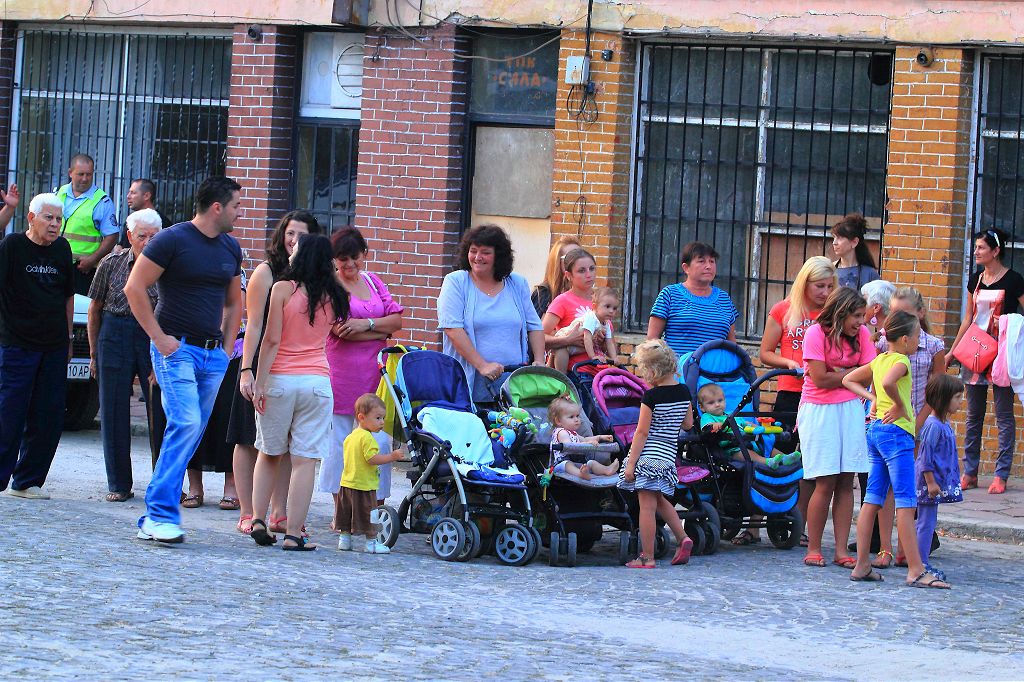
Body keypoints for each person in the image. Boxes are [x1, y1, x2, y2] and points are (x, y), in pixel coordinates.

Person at [124, 176, 244, 544]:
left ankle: (155, 515)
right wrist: (159, 339)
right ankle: (159, 515)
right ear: (217, 207)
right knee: (187, 423)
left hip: (212, 356)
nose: (240, 213)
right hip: (176, 351)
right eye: (237, 206)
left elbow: (234, 303)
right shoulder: (171, 239)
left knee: (189, 431)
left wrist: (225, 351)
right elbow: (134, 287)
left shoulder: (231, 247)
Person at [248, 233, 348, 551]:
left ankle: (258, 520)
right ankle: (293, 534)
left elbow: (271, 340)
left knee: (269, 453)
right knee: (305, 462)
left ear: (301, 256)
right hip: (317, 383)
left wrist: (259, 381)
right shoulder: (334, 295)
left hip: (280, 379)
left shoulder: (282, 289)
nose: (289, 253)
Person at [843, 311, 950, 589]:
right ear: (904, 339)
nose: (917, 341)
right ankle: (916, 569)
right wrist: (900, 406)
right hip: (897, 434)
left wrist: (873, 399)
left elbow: (848, 380)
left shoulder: (879, 359)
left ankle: (862, 564)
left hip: (876, 430)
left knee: (872, 499)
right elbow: (889, 383)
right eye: (916, 337)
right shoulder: (901, 360)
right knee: (905, 501)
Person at [232, 211, 322, 534]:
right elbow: (254, 325)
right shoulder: (266, 272)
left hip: (292, 368)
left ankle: (279, 513)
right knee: (249, 439)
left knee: (284, 445)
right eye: (290, 233)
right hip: (261, 361)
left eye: (302, 235)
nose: (294, 240)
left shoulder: (313, 278)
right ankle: (247, 512)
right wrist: (247, 369)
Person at [319, 227, 404, 521]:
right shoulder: (329, 287)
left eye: (354, 257)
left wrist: (366, 324)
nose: (349, 264)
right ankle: (342, 512)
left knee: (379, 439)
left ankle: (375, 510)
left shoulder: (373, 280)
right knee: (341, 444)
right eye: (342, 259)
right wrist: (380, 330)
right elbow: (340, 332)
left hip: (375, 374)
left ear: (364, 254)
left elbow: (396, 321)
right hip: (341, 374)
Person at [0, 193, 75, 499]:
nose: (55, 224)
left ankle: (27, 481)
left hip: (53, 345)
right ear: (31, 218)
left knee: (48, 416)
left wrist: (68, 338)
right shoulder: (12, 246)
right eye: (49, 218)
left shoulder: (62, 249)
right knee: (9, 412)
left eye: (59, 219)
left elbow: (68, 296)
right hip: (16, 343)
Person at [759, 256, 837, 545]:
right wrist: (788, 363)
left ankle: (799, 523)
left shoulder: (834, 313)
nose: (825, 292)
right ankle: (755, 522)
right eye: (819, 286)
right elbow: (765, 352)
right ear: (805, 283)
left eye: (830, 286)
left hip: (822, 394)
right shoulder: (784, 309)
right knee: (777, 455)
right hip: (790, 392)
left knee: (811, 462)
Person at [868, 286, 947, 568]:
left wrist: (918, 423)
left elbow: (936, 392)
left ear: (920, 313)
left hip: (918, 422)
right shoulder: (884, 345)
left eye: (903, 313)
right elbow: (876, 383)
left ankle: (906, 548)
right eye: (892, 313)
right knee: (888, 487)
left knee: (911, 485)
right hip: (890, 424)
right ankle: (885, 548)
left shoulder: (933, 346)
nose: (895, 319)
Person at [87, 208, 161, 502]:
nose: (148, 242)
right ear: (130, 236)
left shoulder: (168, 267)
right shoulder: (111, 263)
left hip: (152, 333)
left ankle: (165, 484)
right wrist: (94, 352)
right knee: (113, 409)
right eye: (142, 236)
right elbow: (94, 308)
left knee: (160, 410)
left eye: (154, 236)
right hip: (114, 332)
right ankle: (118, 484)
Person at [798, 287, 875, 569]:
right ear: (841, 313)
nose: (861, 322)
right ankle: (814, 547)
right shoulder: (815, 334)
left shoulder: (862, 335)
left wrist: (839, 376)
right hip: (819, 410)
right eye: (856, 316)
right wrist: (852, 375)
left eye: (863, 316)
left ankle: (841, 550)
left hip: (851, 409)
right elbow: (819, 379)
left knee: (845, 480)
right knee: (824, 480)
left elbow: (870, 373)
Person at [947, 228, 1024, 495]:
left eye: (981, 247)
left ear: (996, 251)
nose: (976, 251)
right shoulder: (975, 280)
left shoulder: (1014, 280)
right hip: (975, 350)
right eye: (976, 247)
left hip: (1002, 353)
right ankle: (970, 472)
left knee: (1003, 414)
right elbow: (968, 318)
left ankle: (1001, 474)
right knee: (973, 414)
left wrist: (1012, 331)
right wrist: (952, 352)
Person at [438, 224, 545, 404]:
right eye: (473, 251)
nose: (477, 257)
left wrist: (539, 361)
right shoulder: (456, 282)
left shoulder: (517, 283)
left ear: (498, 256)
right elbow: (452, 329)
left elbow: (534, 326)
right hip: (470, 380)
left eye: (485, 252)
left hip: (513, 380)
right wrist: (482, 366)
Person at [618, 340, 695, 569]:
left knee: (647, 507)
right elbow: (688, 424)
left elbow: (641, 433)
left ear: (652, 371)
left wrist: (631, 464)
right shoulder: (684, 391)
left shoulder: (651, 397)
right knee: (660, 500)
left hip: (649, 456)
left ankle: (647, 557)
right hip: (668, 455)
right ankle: (683, 537)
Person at [336, 394, 406, 554]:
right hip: (364, 486)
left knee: (346, 513)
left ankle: (344, 540)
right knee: (371, 515)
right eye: (378, 418)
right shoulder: (367, 438)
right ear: (362, 417)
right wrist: (392, 457)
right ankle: (371, 543)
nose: (382, 422)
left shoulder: (350, 437)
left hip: (346, 484)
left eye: (383, 418)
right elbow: (372, 459)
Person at [914, 374, 966, 582]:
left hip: (935, 482)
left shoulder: (943, 423)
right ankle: (920, 563)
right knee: (925, 523)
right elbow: (925, 457)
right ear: (944, 399)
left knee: (929, 521)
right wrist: (930, 482)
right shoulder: (933, 426)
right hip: (929, 484)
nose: (961, 402)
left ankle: (920, 560)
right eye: (957, 397)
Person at [647, 241, 738, 356]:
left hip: (716, 367)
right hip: (678, 366)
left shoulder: (724, 299)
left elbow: (732, 344)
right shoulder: (669, 295)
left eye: (712, 261)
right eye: (701, 261)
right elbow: (652, 342)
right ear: (686, 268)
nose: (708, 266)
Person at [696, 383, 799, 470]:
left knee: (767, 446)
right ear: (702, 407)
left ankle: (786, 458)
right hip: (732, 448)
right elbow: (707, 428)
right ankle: (767, 462)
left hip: (748, 441)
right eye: (711, 403)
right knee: (745, 453)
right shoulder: (707, 417)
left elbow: (745, 423)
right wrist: (714, 425)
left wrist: (758, 428)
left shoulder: (730, 414)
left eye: (720, 400)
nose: (717, 404)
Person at [56, 153, 120, 295]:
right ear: (70, 173)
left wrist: (93, 259)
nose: (85, 179)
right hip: (56, 263)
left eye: (89, 174)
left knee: (79, 307)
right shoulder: (59, 193)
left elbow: (112, 236)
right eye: (80, 174)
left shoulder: (101, 201)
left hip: (82, 269)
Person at [543, 248, 600, 373]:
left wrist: (602, 340)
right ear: (568, 276)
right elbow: (538, 338)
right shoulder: (562, 301)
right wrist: (566, 340)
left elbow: (611, 345)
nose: (589, 274)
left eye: (592, 268)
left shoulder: (602, 300)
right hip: (574, 373)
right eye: (581, 271)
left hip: (600, 371)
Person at [548, 396, 617, 478]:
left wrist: (599, 437)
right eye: (571, 417)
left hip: (577, 462)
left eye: (577, 416)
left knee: (591, 463)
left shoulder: (573, 433)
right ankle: (580, 474)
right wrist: (586, 444)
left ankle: (607, 470)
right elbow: (569, 446)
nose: (576, 419)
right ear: (558, 421)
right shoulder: (561, 432)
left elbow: (584, 439)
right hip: (561, 464)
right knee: (567, 464)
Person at [531, 235, 581, 318]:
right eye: (570, 257)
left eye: (580, 256)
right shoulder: (544, 293)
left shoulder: (587, 294)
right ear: (557, 261)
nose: (577, 261)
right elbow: (534, 325)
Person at [831, 213, 879, 290]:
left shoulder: (870, 274)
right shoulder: (830, 269)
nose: (834, 243)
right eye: (834, 237)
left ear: (854, 242)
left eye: (840, 238)